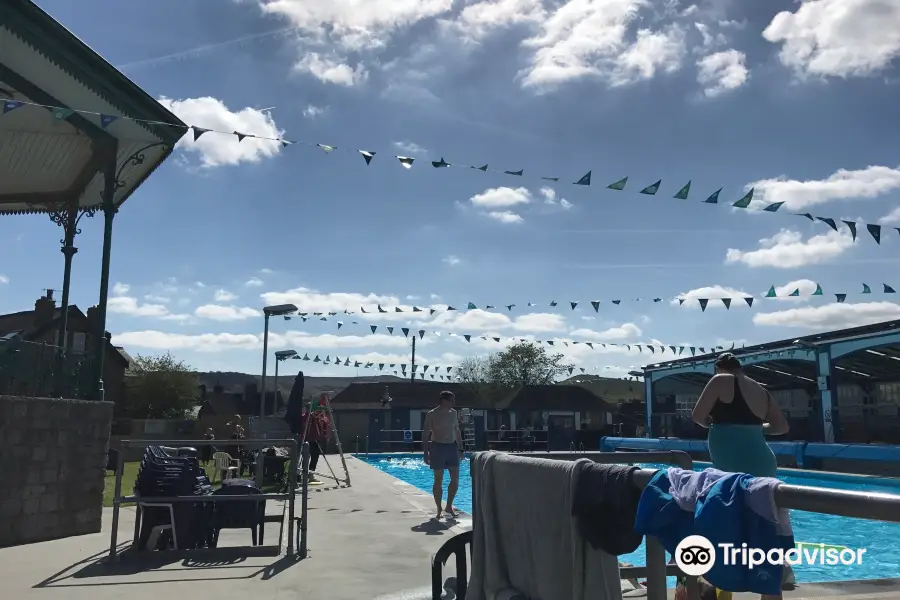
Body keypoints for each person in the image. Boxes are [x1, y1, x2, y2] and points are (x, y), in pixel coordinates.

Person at [692, 352, 792, 599]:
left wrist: (716, 425)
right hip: (763, 462)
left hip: (731, 466)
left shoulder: (720, 380)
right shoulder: (761, 390)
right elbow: (781, 427)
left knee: (726, 529)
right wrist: (755, 427)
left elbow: (698, 417)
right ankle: (772, 587)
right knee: (766, 530)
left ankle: (717, 585)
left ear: (719, 368)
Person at [422, 390, 464, 519]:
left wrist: (461, 449)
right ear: (444, 401)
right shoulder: (432, 414)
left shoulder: (453, 413)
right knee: (438, 479)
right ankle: (439, 508)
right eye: (452, 400)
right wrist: (425, 453)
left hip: (452, 447)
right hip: (438, 447)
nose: (454, 403)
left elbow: (457, 431)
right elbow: (425, 434)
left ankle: (449, 506)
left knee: (455, 479)